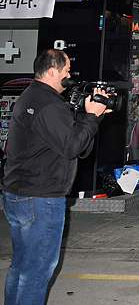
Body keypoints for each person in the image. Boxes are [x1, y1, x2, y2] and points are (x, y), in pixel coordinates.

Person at [1, 50, 109, 304]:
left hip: (20, 192)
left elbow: (73, 143)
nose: (69, 76)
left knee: (22, 265)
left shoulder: (34, 96)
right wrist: (91, 116)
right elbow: (72, 146)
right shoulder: (48, 105)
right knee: (37, 270)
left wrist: (91, 118)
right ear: (52, 71)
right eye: (66, 71)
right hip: (40, 196)